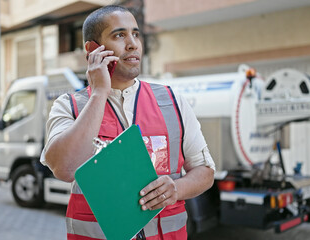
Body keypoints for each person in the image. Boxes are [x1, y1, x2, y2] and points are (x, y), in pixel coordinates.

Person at [42, 5, 215, 240]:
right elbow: (63, 168)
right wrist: (99, 93)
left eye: (136, 34)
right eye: (119, 35)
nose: (132, 43)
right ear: (93, 49)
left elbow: (205, 171)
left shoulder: (172, 101)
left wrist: (177, 189)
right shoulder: (68, 106)